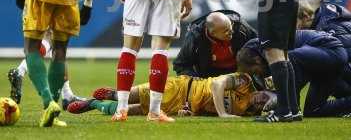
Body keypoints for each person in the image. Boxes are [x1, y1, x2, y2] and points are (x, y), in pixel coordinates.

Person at [237, 30, 351, 117]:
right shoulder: (258, 56)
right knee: (312, 110)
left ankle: (291, 108)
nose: (259, 74)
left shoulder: (269, 48)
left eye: (255, 71)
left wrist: (284, 101)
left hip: (331, 51)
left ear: (257, 60)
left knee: (288, 58)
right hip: (320, 67)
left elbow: (290, 73)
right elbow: (296, 76)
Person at [67, 73, 275, 118]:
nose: (260, 101)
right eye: (264, 96)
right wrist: (223, 113)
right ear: (264, 90)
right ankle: (110, 94)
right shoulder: (244, 82)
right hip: (182, 87)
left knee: (136, 112)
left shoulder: (245, 112)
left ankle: (93, 104)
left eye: (263, 104)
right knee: (129, 97)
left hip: (184, 106)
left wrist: (192, 113)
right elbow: (218, 84)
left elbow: (207, 110)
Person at [297, 2, 351, 98]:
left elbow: (342, 57)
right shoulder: (322, 23)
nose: (294, 27)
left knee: (317, 65)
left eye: (294, 21)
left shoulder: (332, 24)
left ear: (306, 17)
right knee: (313, 62)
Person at [173, 10, 257, 77]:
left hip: (241, 71)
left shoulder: (240, 27)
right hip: (210, 76)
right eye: (226, 31)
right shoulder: (195, 37)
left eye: (231, 26)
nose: (231, 31)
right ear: (213, 33)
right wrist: (199, 82)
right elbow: (180, 64)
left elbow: (259, 47)